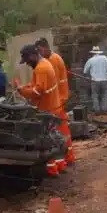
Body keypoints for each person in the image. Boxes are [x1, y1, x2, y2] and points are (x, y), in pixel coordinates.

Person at [16, 44, 66, 175]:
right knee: (54, 138)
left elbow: (38, 92)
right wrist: (24, 87)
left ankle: (51, 170)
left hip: (47, 109)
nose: (27, 64)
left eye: (27, 60)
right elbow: (35, 84)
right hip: (51, 106)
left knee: (47, 141)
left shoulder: (41, 69)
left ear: (33, 55)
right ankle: (59, 166)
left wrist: (22, 91)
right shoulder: (43, 64)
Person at [34, 37, 75, 166]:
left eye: (39, 50)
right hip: (59, 100)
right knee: (62, 131)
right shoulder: (55, 58)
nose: (39, 54)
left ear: (44, 47)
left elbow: (51, 84)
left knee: (55, 132)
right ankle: (67, 158)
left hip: (56, 102)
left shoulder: (52, 61)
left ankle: (59, 163)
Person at [83, 45, 107, 114]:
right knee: (104, 95)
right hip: (104, 80)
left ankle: (97, 111)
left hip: (95, 81)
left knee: (95, 96)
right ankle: (104, 110)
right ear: (99, 52)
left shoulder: (90, 60)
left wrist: (87, 79)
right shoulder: (104, 58)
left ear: (92, 53)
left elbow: (85, 72)